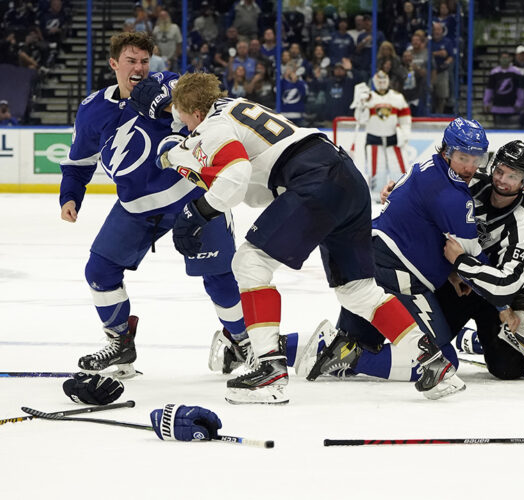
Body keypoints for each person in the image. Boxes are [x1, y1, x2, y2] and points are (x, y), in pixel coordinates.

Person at [163, 73, 467, 403]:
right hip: (346, 176)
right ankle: (432, 362)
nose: (185, 126)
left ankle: (268, 369)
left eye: (182, 117)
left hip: (314, 178)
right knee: (358, 290)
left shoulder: (212, 124)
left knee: (250, 262)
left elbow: (235, 176)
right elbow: (253, 187)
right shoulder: (237, 106)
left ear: (193, 111)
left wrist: (199, 211)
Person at [58, 32, 246, 380]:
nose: (139, 68)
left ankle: (241, 343)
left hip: (193, 197)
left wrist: (163, 101)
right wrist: (70, 195)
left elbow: (193, 105)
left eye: (145, 61)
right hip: (136, 207)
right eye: (131, 61)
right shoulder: (92, 109)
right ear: (114, 63)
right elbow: (79, 162)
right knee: (99, 271)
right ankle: (119, 341)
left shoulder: (170, 83)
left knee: (219, 277)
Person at [303, 140, 524, 383]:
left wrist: (462, 264)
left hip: (490, 300)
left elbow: (506, 285)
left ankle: (471, 340)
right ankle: (283, 348)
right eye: (499, 170)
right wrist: (397, 195)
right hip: (451, 285)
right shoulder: (470, 181)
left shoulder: (522, 225)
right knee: (374, 337)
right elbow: (423, 193)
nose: (502, 179)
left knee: (507, 367)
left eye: (513, 176)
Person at [351, 70, 412, 203]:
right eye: (379, 81)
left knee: (399, 170)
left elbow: (405, 119)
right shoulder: (368, 97)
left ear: (388, 81)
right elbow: (360, 119)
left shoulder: (397, 97)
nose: (382, 84)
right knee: (376, 173)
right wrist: (360, 103)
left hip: (394, 140)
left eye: (384, 81)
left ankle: (400, 196)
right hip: (374, 140)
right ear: (374, 82)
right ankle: (377, 199)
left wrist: (405, 134)